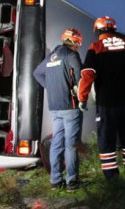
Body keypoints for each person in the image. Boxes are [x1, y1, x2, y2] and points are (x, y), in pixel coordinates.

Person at [78, 16, 125, 180]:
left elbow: (87, 74)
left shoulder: (96, 47)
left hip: (107, 103)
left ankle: (112, 177)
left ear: (98, 30)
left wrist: (82, 97)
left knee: (107, 139)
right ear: (114, 29)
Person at [33, 28, 84, 191]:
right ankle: (72, 181)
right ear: (75, 42)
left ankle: (55, 180)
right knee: (71, 144)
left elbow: (37, 73)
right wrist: (81, 96)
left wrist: (51, 86)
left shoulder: (51, 57)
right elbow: (80, 77)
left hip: (55, 107)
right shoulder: (71, 55)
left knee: (57, 143)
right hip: (71, 106)